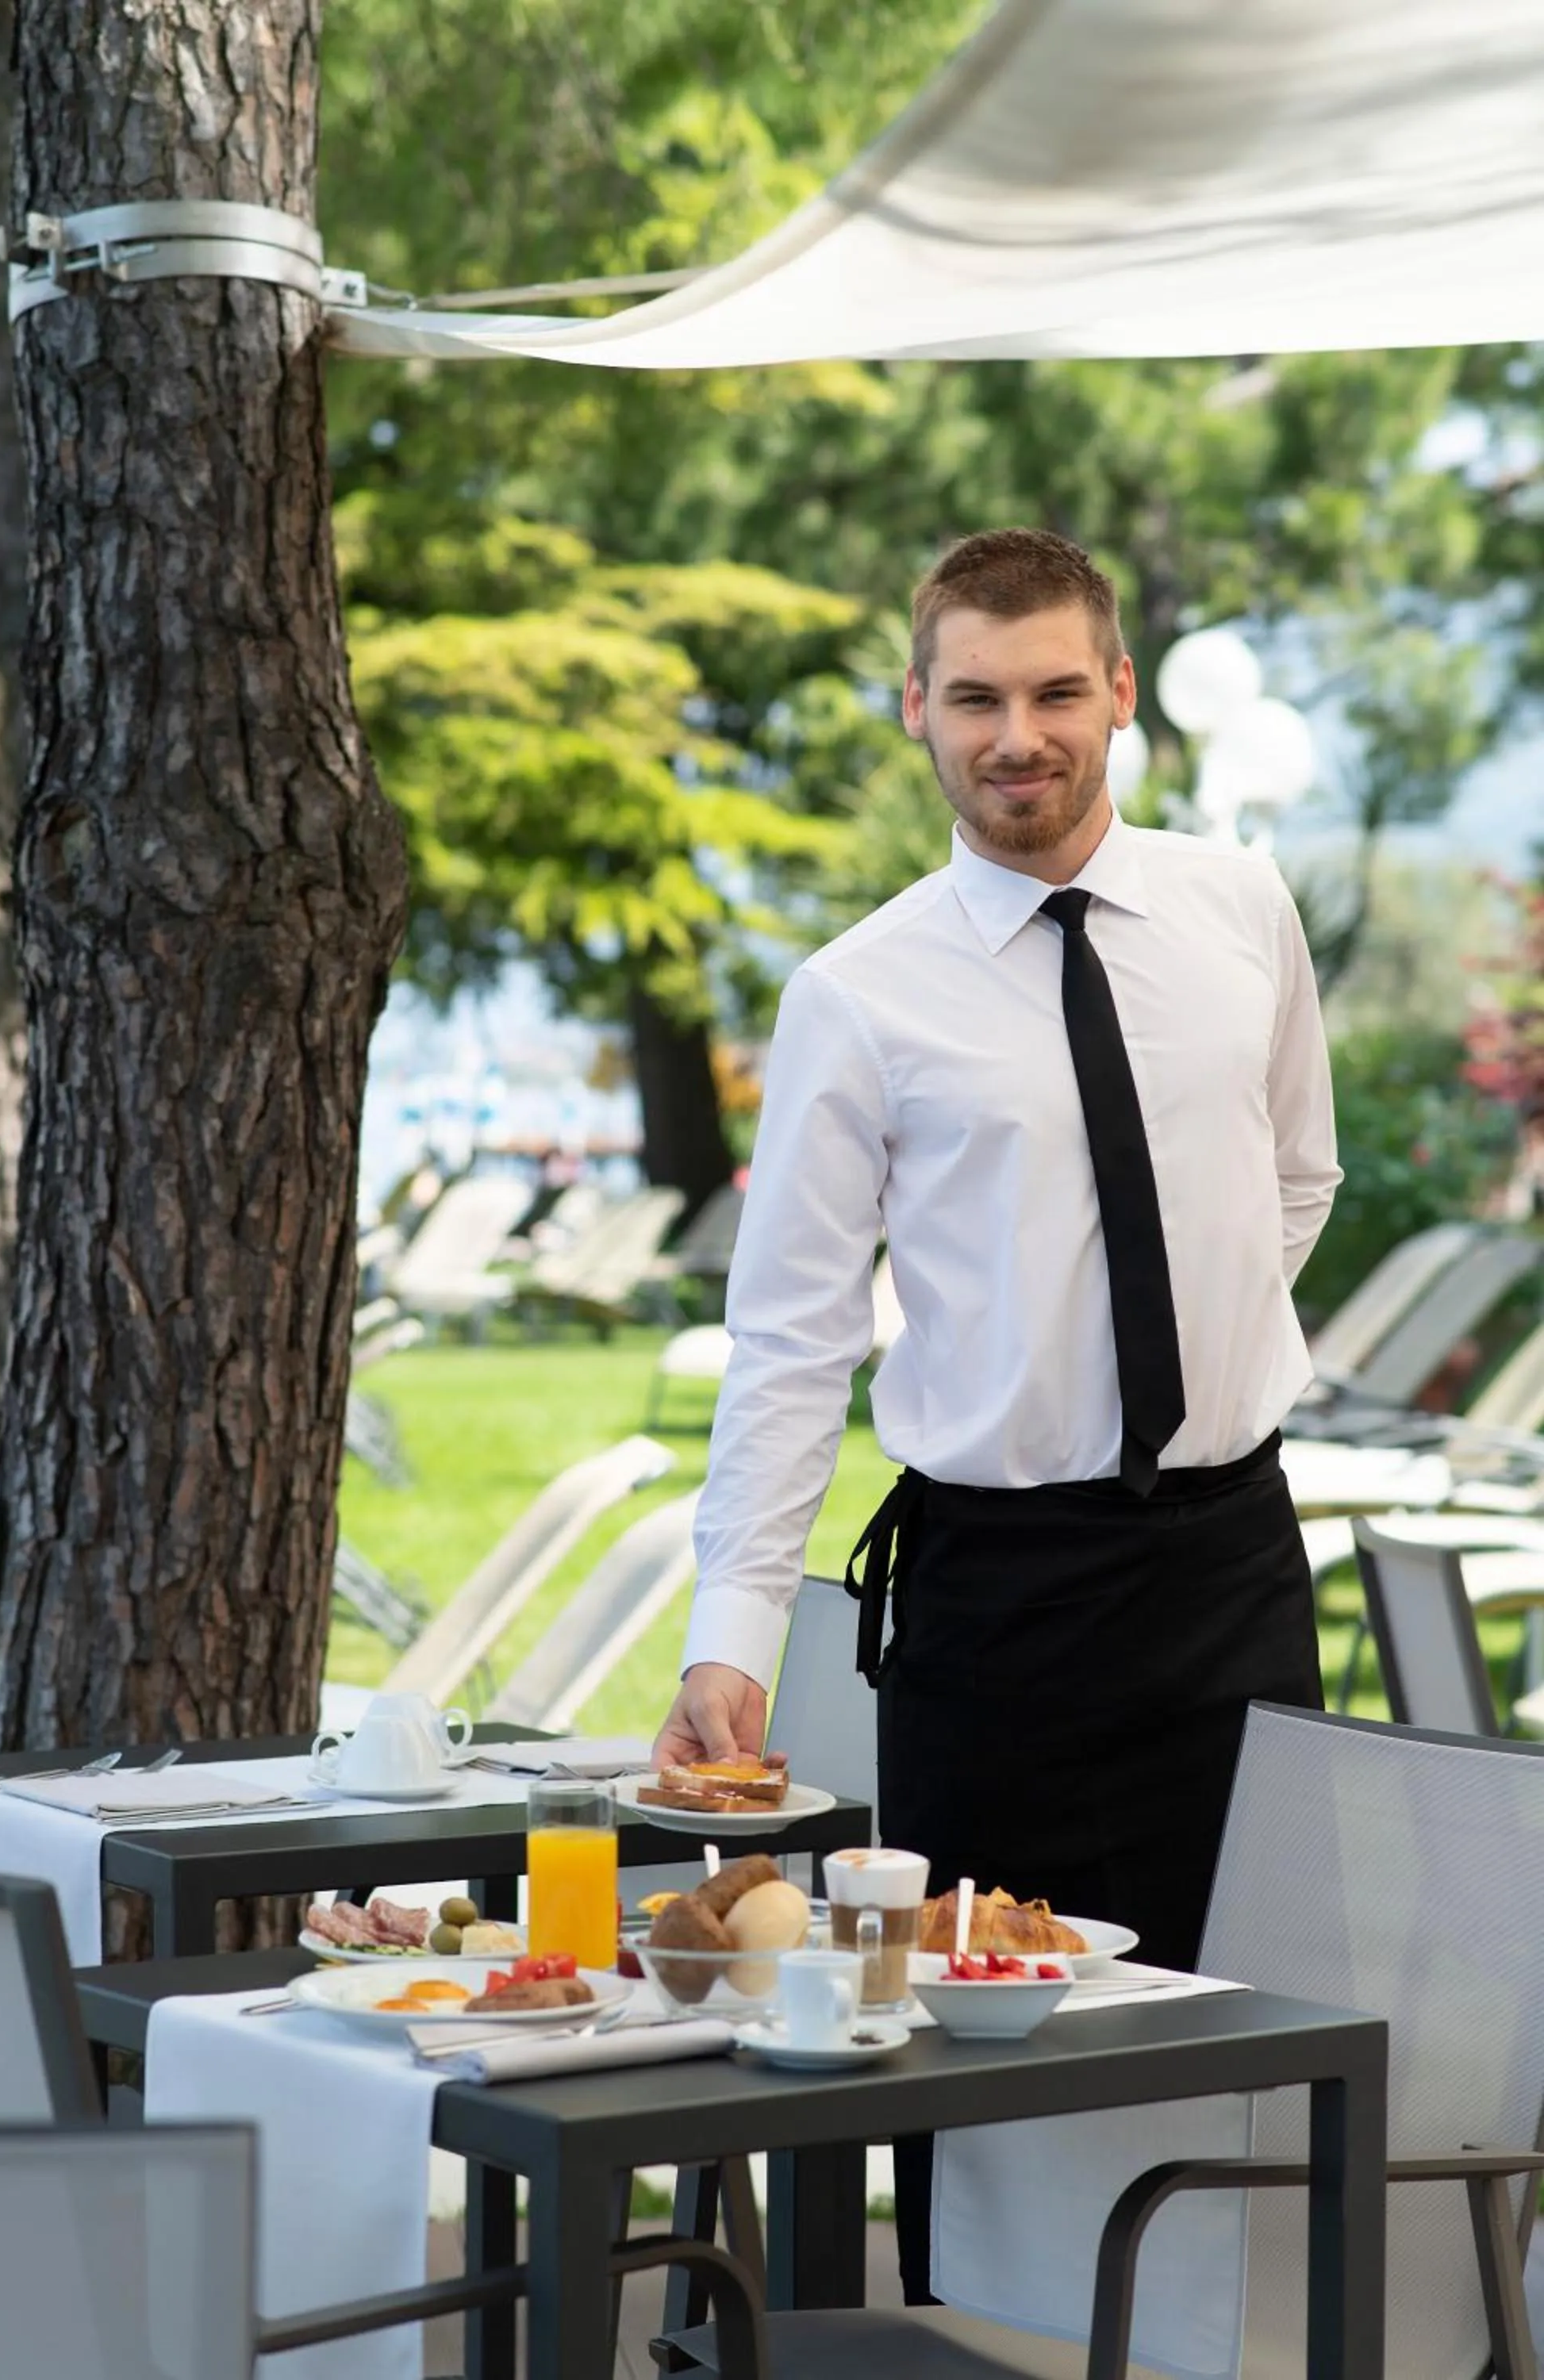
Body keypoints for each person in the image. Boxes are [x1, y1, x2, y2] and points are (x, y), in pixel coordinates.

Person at [651, 527, 1339, 2298]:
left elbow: (1291, 1177)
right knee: (970, 2045)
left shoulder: (1240, 909)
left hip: (1229, 1575)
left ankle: (1198, 2340)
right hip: (998, 1599)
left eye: (1050, 691)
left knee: (1234, 2023)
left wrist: (1174, 1359)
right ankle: (969, 2334)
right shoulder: (856, 996)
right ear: (916, 711)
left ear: (1117, 692)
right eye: (973, 698)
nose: (1013, 735)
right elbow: (792, 1337)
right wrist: (731, 1629)